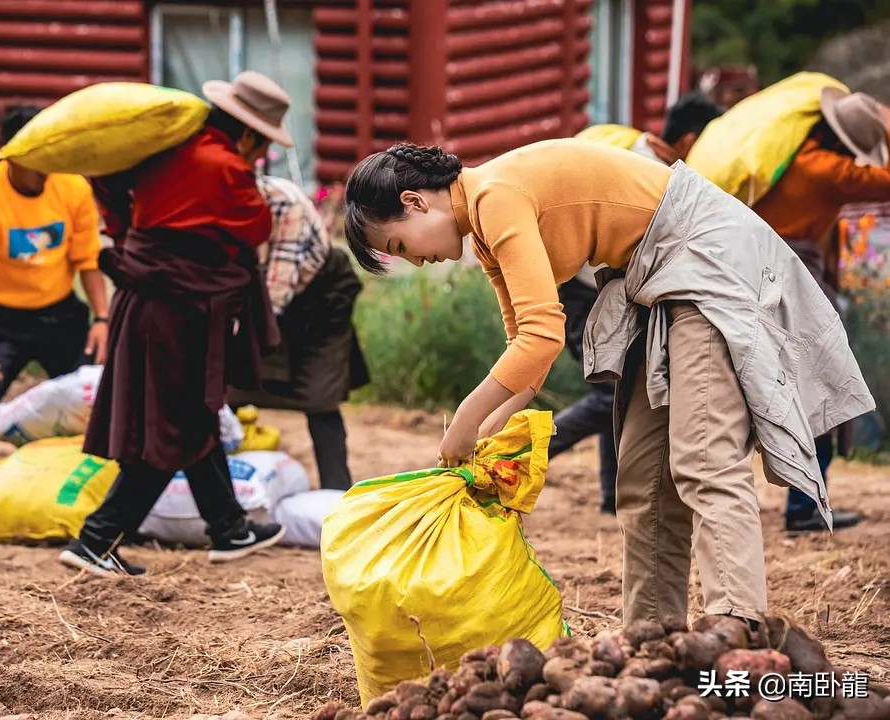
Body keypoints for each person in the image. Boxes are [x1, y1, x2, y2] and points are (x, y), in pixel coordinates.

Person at [341, 139, 873, 627]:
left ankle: (736, 629)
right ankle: (652, 635)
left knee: (703, 458)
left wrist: (463, 420)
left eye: (399, 245)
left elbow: (543, 337)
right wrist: (486, 431)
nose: (415, 260)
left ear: (415, 202)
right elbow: (524, 349)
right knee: (642, 476)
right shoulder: (481, 231)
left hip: (703, 255)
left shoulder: (495, 197)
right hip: (654, 279)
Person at [59, 71, 294, 576]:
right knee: (174, 428)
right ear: (248, 134)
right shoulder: (224, 164)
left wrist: (128, 233)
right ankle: (95, 540)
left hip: (143, 301)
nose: (259, 157)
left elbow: (107, 186)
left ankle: (229, 529)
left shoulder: (163, 148)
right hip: (177, 312)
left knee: (192, 415)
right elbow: (257, 226)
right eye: (261, 146)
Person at [559, 93, 723, 514]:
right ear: (690, 139)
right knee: (609, 391)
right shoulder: (648, 169)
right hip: (584, 287)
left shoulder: (645, 156)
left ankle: (612, 495)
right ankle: (524, 454)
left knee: (617, 385)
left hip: (601, 286)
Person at [0, 104, 108, 499]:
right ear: (12, 156)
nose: (45, 167)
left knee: (91, 396)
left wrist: (102, 317)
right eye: (36, 159)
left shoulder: (72, 187)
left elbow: (88, 257)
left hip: (60, 313)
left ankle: (94, 477)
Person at [753, 87, 890, 533]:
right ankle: (804, 506)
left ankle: (804, 501)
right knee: (826, 383)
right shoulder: (826, 169)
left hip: (765, 273)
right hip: (796, 277)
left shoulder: (795, 157)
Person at [228, 175, 370, 491]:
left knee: (320, 397)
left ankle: (336, 496)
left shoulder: (284, 204)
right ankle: (216, 497)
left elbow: (277, 292)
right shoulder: (213, 203)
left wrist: (228, 337)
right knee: (224, 393)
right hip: (259, 298)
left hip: (318, 300)